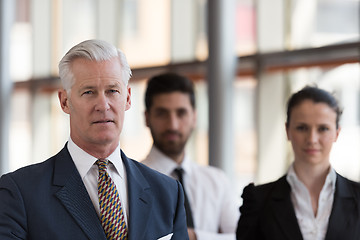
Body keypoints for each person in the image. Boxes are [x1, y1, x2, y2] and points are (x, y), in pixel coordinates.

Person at [0, 39, 188, 240]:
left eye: (112, 91)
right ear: (65, 102)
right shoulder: (19, 192)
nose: (103, 105)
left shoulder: (168, 193)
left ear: (128, 98)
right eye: (89, 92)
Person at [236, 86, 360, 240]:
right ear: (287, 130)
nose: (312, 139)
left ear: (337, 133)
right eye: (302, 128)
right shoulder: (258, 200)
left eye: (323, 129)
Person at [142, 72, 240, 240]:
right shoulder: (133, 180)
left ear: (194, 117)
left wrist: (194, 237)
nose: (172, 124)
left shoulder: (216, 181)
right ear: (146, 118)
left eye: (181, 113)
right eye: (162, 113)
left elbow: (244, 236)